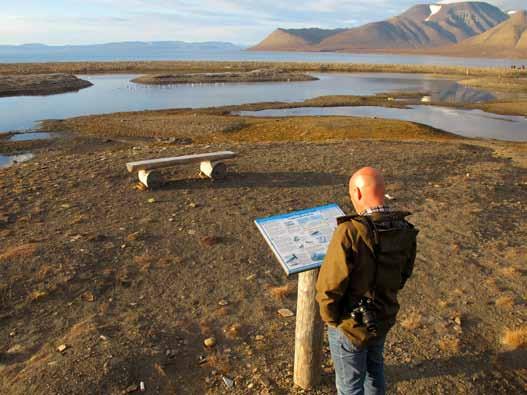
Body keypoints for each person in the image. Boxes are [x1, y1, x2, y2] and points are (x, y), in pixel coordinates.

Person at [316, 167, 418, 395]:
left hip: (350, 325)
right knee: (375, 370)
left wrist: (333, 320)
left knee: (349, 386)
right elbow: (403, 275)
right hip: (384, 315)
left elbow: (328, 287)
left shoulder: (350, 232)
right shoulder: (404, 229)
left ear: (358, 193)